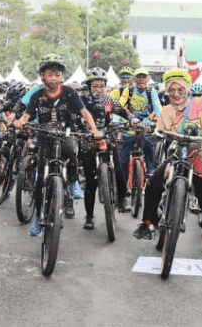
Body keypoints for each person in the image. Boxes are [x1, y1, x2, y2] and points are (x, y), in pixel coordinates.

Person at [132, 69, 202, 255]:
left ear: (187, 89)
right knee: (154, 183)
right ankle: (149, 222)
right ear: (167, 92)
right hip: (177, 156)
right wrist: (152, 131)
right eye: (172, 90)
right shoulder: (166, 111)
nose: (176, 94)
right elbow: (159, 131)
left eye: (180, 89)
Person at [13, 54, 102, 236]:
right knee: (39, 182)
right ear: (42, 76)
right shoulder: (37, 95)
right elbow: (27, 115)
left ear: (62, 76)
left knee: (71, 150)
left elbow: (84, 112)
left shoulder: (70, 92)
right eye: (50, 74)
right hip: (44, 136)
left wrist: (94, 129)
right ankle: (39, 217)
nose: (54, 78)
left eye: (58, 74)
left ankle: (73, 180)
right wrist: (20, 121)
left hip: (66, 133)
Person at [78, 68, 128, 229]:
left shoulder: (109, 99)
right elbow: (73, 118)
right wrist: (80, 132)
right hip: (88, 140)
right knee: (90, 182)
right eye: (95, 86)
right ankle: (89, 217)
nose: (99, 89)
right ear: (89, 86)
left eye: (101, 86)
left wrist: (136, 121)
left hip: (107, 137)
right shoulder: (81, 100)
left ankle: (122, 200)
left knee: (119, 169)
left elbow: (124, 112)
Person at [119, 67, 161, 192]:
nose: (141, 79)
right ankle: (123, 183)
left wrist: (150, 120)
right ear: (135, 79)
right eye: (139, 77)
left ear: (148, 79)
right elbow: (120, 106)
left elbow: (158, 108)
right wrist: (131, 118)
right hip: (131, 124)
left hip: (146, 125)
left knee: (148, 143)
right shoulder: (129, 90)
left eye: (144, 77)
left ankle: (150, 171)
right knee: (124, 155)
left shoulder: (151, 91)